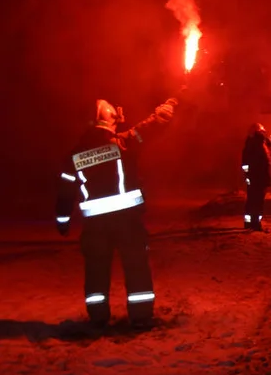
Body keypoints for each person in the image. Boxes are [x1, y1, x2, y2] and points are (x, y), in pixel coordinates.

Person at [55, 94, 180, 327]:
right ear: (111, 119)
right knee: (136, 267)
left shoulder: (74, 156)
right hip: (127, 222)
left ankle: (98, 318)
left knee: (96, 271)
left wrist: (62, 220)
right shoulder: (125, 143)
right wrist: (167, 108)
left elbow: (65, 191)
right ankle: (141, 316)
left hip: (95, 226)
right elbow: (149, 129)